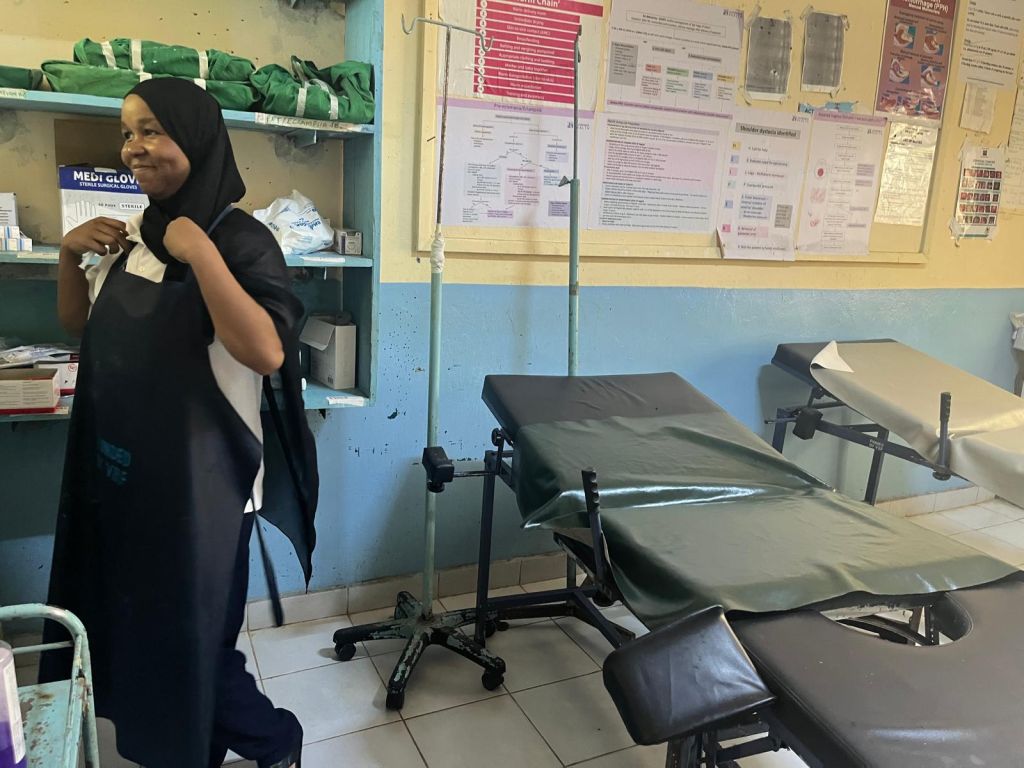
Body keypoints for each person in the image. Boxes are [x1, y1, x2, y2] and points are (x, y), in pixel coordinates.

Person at [42, 78, 318, 768]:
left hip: (207, 492)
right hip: (126, 480)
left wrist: (201, 255)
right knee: (137, 628)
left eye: (152, 130)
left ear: (195, 138)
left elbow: (266, 351)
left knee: (195, 646)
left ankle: (276, 741)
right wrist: (68, 256)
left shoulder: (243, 241)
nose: (134, 147)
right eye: (127, 132)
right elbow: (79, 323)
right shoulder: (133, 235)